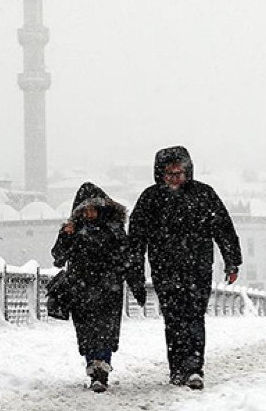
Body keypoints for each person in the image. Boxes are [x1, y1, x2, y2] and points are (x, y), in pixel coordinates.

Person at [128, 146, 242, 390]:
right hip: (165, 269)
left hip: (197, 268)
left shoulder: (203, 194)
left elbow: (223, 228)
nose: (174, 178)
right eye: (169, 174)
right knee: (173, 319)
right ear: (160, 174)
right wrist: (135, 273)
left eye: (179, 173)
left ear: (187, 171)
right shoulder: (150, 199)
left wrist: (232, 261)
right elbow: (135, 240)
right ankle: (177, 368)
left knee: (194, 317)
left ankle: (193, 368)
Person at [51, 182, 147, 393]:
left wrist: (136, 284)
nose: (90, 213)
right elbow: (58, 258)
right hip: (82, 289)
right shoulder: (74, 231)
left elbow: (128, 259)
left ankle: (100, 369)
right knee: (87, 332)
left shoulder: (114, 231)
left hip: (107, 289)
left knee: (105, 330)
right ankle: (94, 367)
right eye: (86, 209)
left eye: (93, 208)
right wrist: (65, 236)